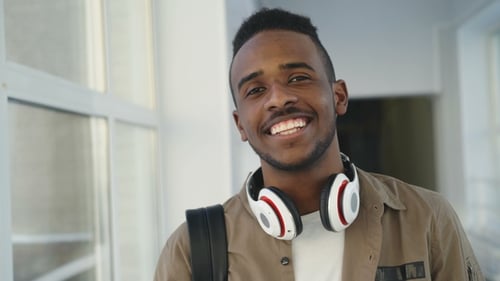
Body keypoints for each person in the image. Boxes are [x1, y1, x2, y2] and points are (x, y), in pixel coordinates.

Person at [154, 8, 484, 281]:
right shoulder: (190, 251)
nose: (279, 99)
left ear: (338, 96)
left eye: (298, 78)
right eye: (255, 90)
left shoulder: (428, 219)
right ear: (240, 124)